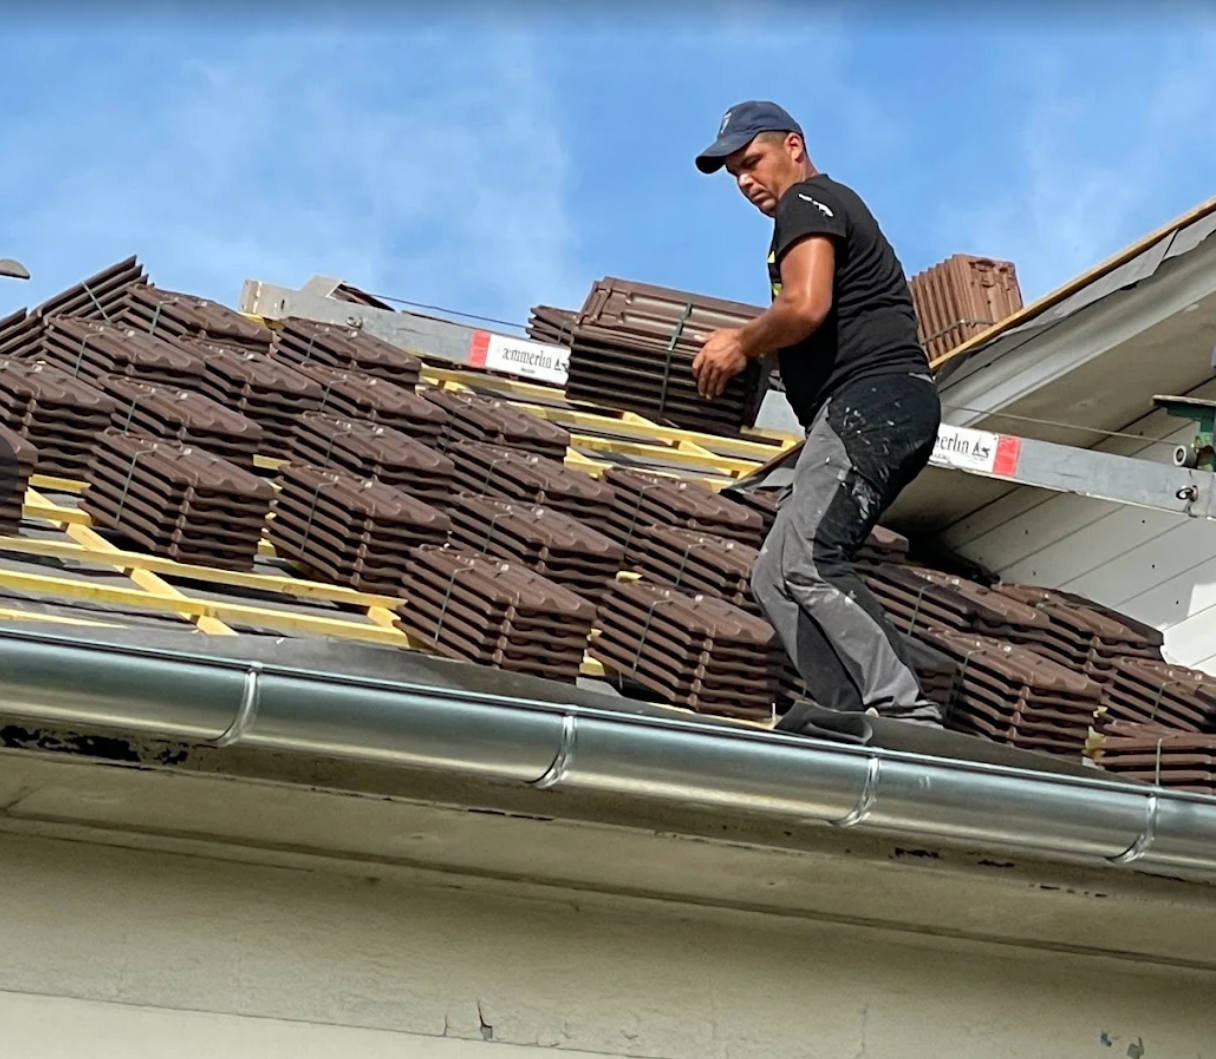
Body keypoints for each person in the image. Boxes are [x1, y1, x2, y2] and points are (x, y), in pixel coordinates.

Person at [691, 100, 943, 729]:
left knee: (807, 559)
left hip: (872, 402)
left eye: (752, 161)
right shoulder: (814, 214)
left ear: (793, 147)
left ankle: (906, 712)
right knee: (773, 574)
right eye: (735, 175)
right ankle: (848, 712)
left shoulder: (811, 201)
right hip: (861, 408)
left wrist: (740, 342)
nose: (746, 181)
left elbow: (804, 307)